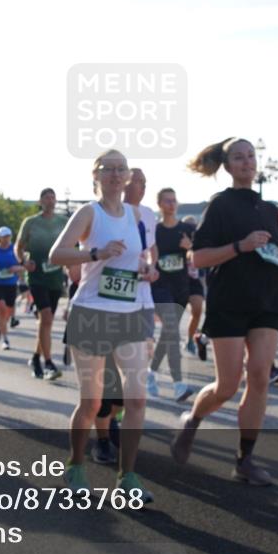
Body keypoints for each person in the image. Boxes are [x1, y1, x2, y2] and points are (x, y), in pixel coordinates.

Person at [171, 137, 278, 486]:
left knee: (260, 375)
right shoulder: (220, 205)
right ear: (227, 166)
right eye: (239, 158)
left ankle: (245, 459)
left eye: (251, 156)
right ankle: (193, 420)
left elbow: (272, 255)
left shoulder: (268, 209)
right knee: (227, 386)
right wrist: (240, 246)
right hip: (230, 301)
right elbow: (198, 258)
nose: (247, 162)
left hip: (267, 301)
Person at [50, 149, 154, 500]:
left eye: (120, 168)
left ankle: (128, 476)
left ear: (128, 176)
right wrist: (95, 253)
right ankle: (76, 466)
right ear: (95, 175)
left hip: (129, 313)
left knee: (136, 398)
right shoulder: (88, 213)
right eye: (107, 168)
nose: (114, 173)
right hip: (92, 313)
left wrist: (143, 270)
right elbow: (56, 255)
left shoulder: (136, 214)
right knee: (92, 402)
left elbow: (136, 258)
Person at [16, 188, 68, 380]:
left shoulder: (63, 222)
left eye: (53, 196)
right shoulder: (31, 222)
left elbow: (72, 245)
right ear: (40, 201)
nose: (50, 200)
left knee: (46, 322)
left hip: (55, 277)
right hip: (37, 276)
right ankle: (49, 363)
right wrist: (23, 262)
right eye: (46, 197)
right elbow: (19, 246)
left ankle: (36, 357)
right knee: (45, 317)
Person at [150, 188, 196, 402]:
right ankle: (178, 384)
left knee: (168, 334)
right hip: (160, 287)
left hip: (181, 286)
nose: (171, 204)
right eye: (167, 201)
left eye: (174, 200)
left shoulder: (186, 229)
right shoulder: (155, 230)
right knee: (172, 332)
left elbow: (199, 255)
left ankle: (150, 374)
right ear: (159, 204)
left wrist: (190, 248)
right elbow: (149, 254)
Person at [123, 169, 160, 396]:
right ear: (125, 184)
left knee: (147, 339)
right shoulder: (114, 212)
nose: (143, 187)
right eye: (138, 182)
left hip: (143, 290)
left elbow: (152, 247)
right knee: (123, 349)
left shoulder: (147, 214)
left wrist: (153, 265)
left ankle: (145, 375)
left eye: (145, 182)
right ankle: (118, 400)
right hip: (119, 293)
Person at [0, 226, 23, 351]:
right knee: (2, 309)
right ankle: (5, 339)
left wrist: (16, 269)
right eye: (4, 237)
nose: (6, 239)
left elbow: (23, 266)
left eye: (8, 236)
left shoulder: (15, 249)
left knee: (8, 312)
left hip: (11, 284)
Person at [182, 215, 209, 360]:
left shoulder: (199, 242)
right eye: (188, 226)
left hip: (195, 281)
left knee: (197, 310)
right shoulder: (176, 239)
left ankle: (190, 338)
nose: (191, 229)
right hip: (178, 281)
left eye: (194, 226)